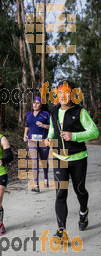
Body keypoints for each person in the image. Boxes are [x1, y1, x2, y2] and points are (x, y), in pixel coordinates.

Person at [45, 80, 99, 239]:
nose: (63, 95)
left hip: (78, 158)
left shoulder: (80, 112)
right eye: (60, 92)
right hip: (59, 158)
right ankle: (61, 230)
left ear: (73, 95)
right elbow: (52, 130)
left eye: (67, 92)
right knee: (60, 193)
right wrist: (49, 140)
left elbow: (94, 132)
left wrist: (74, 136)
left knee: (80, 190)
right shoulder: (54, 112)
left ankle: (83, 211)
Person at [24, 96, 50, 192]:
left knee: (44, 161)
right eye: (34, 102)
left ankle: (46, 178)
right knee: (34, 161)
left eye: (37, 103)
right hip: (32, 140)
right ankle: (36, 185)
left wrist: (43, 125)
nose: (35, 104)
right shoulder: (28, 114)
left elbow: (52, 127)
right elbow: (27, 125)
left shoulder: (45, 114)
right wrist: (25, 135)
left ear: (41, 104)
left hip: (43, 140)